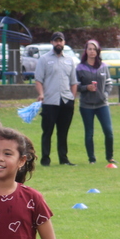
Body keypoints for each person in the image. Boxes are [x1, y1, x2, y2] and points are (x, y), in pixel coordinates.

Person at [34, 31, 79, 166]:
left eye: (61, 41)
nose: (58, 43)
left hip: (66, 101)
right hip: (49, 101)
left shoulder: (69, 60)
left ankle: (63, 159)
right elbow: (38, 80)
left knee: (63, 132)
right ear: (52, 43)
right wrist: (41, 94)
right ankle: (45, 159)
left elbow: (73, 82)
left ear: (64, 43)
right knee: (47, 132)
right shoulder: (44, 59)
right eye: (56, 41)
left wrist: (72, 98)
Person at [76, 39, 116, 165]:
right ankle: (91, 159)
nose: (92, 52)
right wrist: (86, 88)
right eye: (90, 49)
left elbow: (109, 83)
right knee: (89, 133)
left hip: (102, 104)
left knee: (108, 131)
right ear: (86, 51)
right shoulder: (80, 68)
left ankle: (110, 157)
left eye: (94, 49)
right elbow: (76, 86)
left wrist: (105, 94)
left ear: (98, 51)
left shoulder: (103, 66)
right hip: (86, 105)